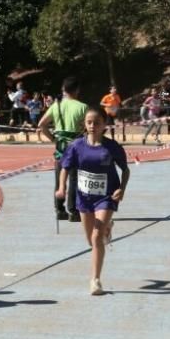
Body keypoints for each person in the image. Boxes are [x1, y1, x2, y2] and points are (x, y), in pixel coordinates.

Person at [56, 106, 129, 295]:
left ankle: (95, 281)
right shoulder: (76, 145)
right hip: (84, 197)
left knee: (97, 238)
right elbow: (65, 167)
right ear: (84, 124)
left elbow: (125, 169)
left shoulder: (112, 147)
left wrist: (122, 189)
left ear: (104, 124)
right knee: (91, 240)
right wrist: (61, 188)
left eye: (97, 122)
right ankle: (107, 226)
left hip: (106, 196)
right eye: (89, 122)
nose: (92, 126)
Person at [39, 77, 87, 222]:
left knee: (59, 176)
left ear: (64, 90)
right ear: (77, 90)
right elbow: (89, 126)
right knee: (74, 178)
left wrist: (53, 138)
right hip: (76, 145)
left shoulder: (56, 106)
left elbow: (42, 124)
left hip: (60, 145)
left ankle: (59, 209)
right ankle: (73, 211)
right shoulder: (82, 107)